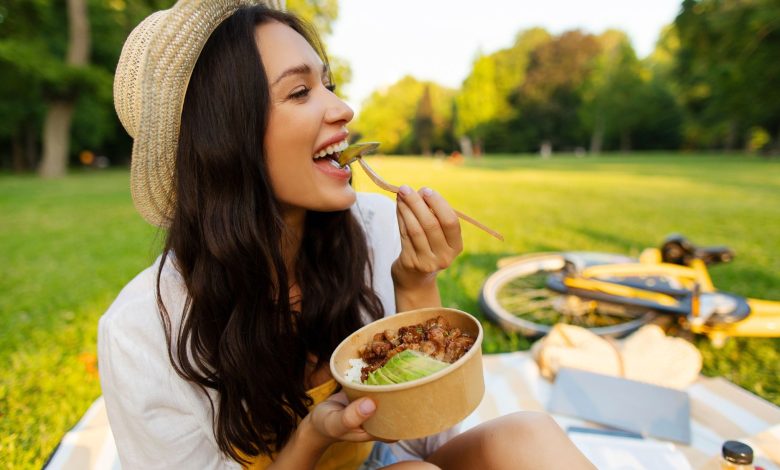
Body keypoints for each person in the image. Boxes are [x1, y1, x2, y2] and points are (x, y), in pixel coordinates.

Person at [99, 1, 596, 469]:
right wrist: (315, 434)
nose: (342, 109)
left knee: (528, 434)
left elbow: (426, 436)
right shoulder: (142, 330)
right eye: (300, 92)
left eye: (329, 84)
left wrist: (417, 286)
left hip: (382, 459)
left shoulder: (377, 227)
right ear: (225, 139)